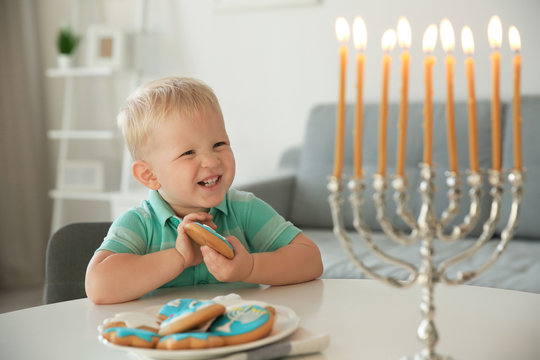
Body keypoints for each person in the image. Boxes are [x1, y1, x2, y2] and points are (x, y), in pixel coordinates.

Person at [85, 76, 323, 304]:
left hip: (238, 334)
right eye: (188, 153)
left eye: (219, 144)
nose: (211, 161)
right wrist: (178, 258)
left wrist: (250, 267)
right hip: (166, 341)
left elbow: (311, 259)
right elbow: (98, 286)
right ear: (150, 175)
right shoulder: (140, 224)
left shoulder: (244, 209)